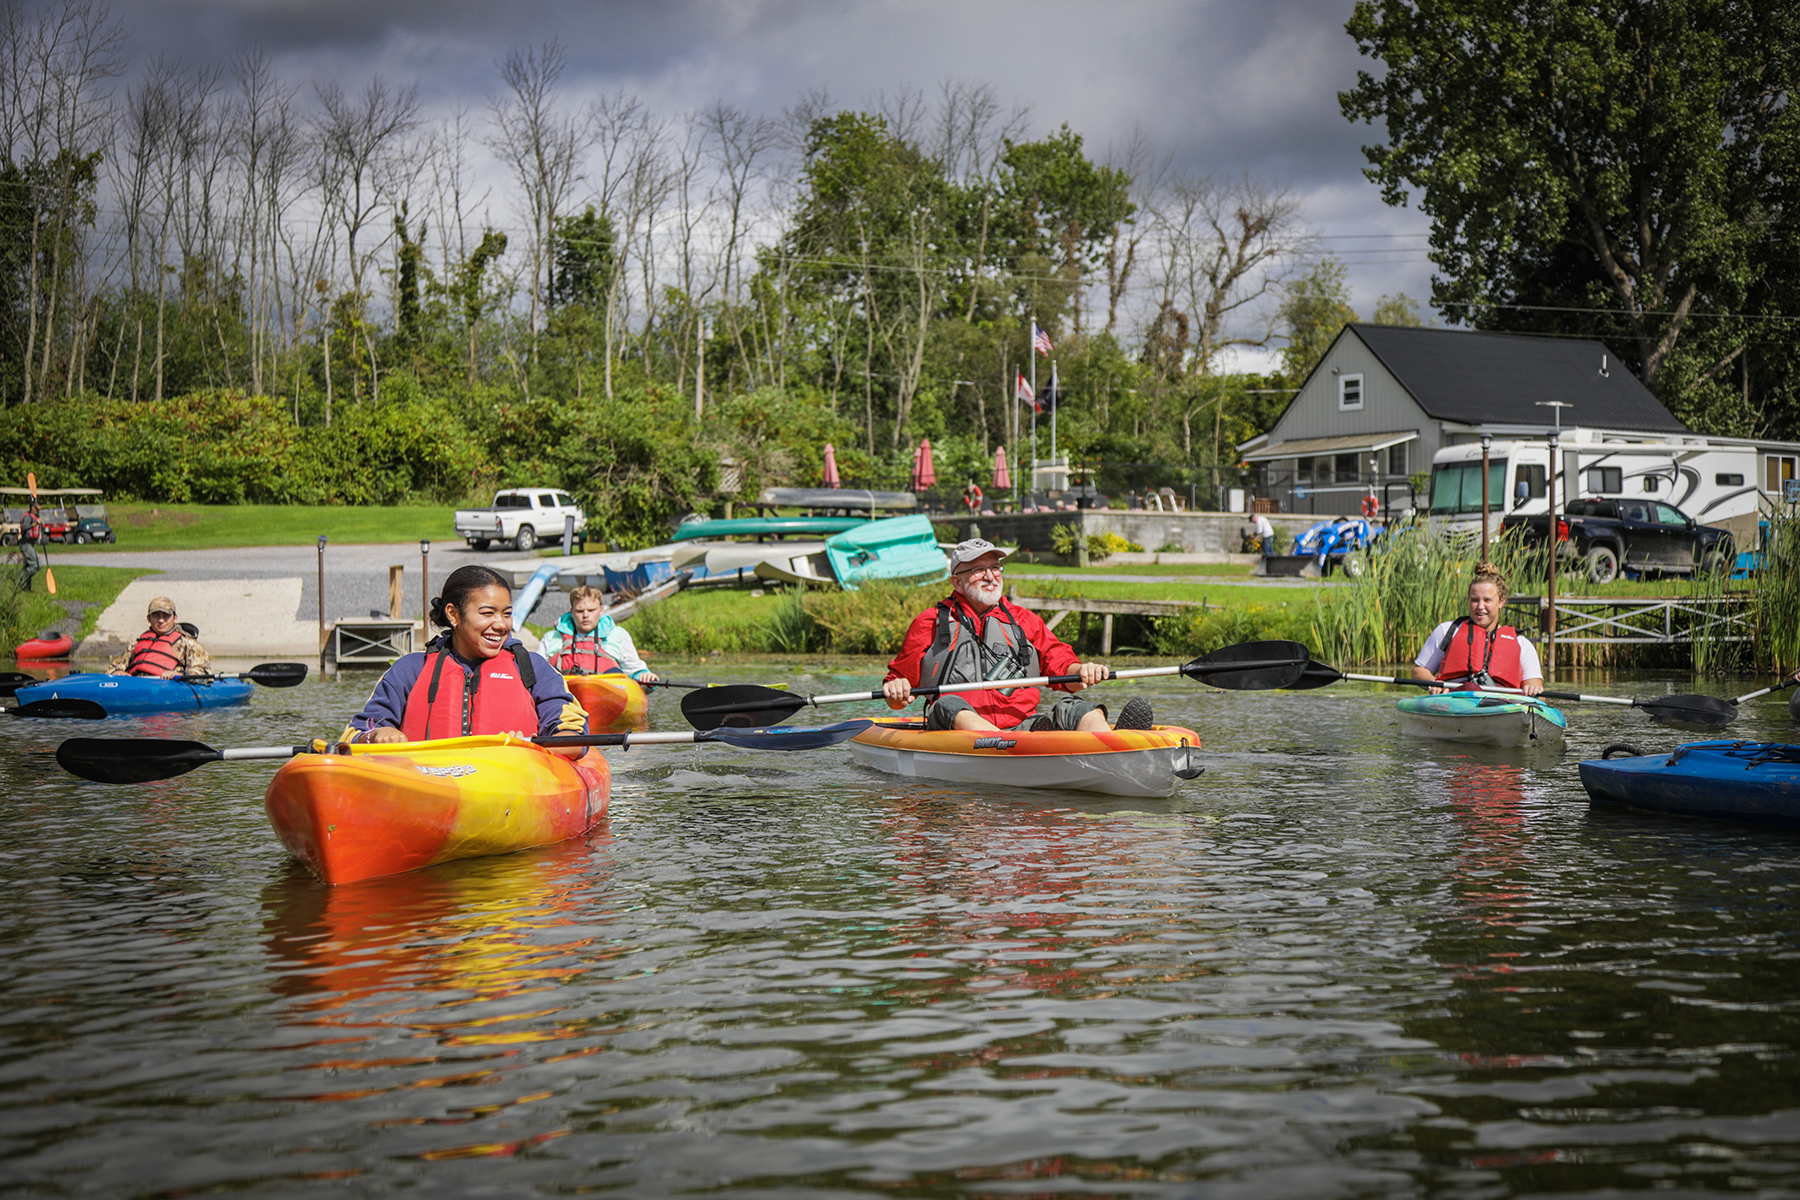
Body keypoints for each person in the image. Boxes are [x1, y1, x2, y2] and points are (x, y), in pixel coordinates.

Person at [881, 538, 1154, 732]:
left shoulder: (1025, 620)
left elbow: (1061, 667)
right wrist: (897, 690)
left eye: (995, 567)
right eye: (978, 569)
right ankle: (999, 745)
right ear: (957, 582)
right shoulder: (930, 622)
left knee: (1076, 706)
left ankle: (1111, 745)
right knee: (948, 704)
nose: (990, 576)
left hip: (1024, 727)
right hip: (959, 733)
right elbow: (898, 694)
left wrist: (1083, 670)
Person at [345, 564, 588, 755]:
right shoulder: (410, 670)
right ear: (453, 614)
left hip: (511, 779)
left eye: (507, 614)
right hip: (426, 781)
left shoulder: (531, 668)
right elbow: (356, 733)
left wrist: (531, 748)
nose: (501, 624)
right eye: (487, 613)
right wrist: (377, 735)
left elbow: (575, 734)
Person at [1410, 561, 1545, 696]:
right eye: (1475, 600)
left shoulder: (1521, 643)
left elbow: (1536, 687)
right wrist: (1434, 683)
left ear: (1501, 601)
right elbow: (1418, 671)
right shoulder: (1447, 631)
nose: (1480, 606)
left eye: (1487, 600)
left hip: (1502, 704)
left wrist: (1532, 689)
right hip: (1454, 700)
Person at [537, 585, 659, 682]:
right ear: (572, 612)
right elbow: (535, 673)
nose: (585, 615)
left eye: (591, 610)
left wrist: (644, 676)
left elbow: (635, 670)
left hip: (606, 695)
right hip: (564, 693)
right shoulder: (551, 638)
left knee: (615, 673)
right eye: (580, 611)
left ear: (601, 611)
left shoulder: (618, 635)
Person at [110, 596, 212, 678]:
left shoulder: (189, 644)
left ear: (175, 618)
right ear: (148, 618)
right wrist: (117, 672)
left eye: (166, 616)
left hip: (168, 687)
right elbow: (112, 668)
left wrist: (181, 675)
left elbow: (203, 671)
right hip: (137, 686)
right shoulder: (135, 645)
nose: (161, 620)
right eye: (156, 616)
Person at [18, 499, 42, 591]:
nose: (39, 511)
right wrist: (36, 523)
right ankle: (21, 580)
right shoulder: (27, 517)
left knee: (28, 566)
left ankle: (26, 589)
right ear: (32, 508)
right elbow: (25, 527)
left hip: (30, 544)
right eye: (38, 509)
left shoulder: (34, 516)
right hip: (25, 544)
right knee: (37, 565)